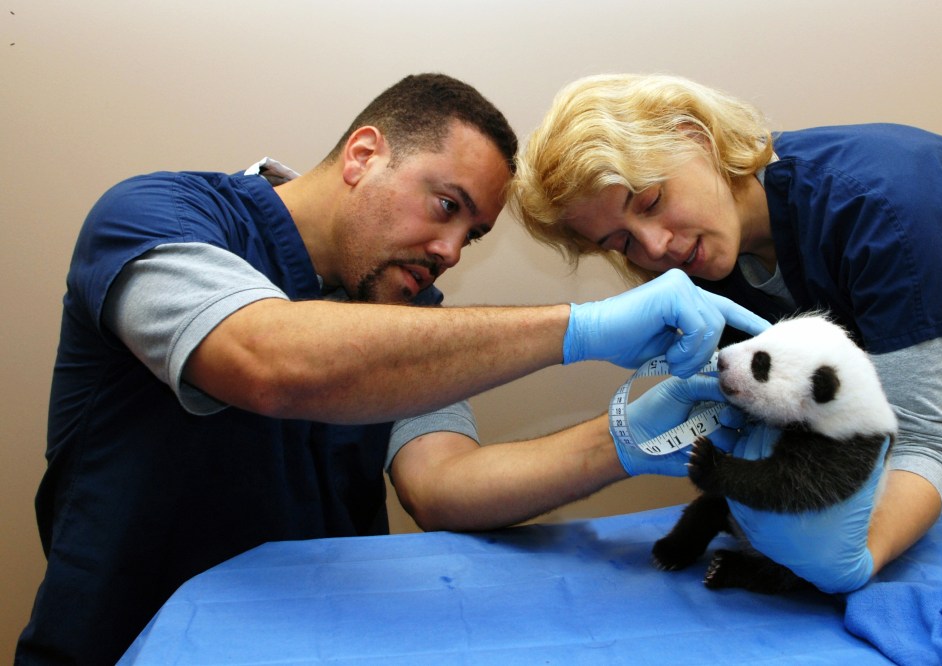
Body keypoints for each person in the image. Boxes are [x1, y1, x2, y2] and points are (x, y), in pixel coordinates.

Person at [17, 73, 768, 665]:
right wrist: (581, 329)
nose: (449, 251)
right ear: (363, 155)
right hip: (130, 645)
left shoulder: (407, 324)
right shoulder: (157, 218)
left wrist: (631, 438)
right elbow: (269, 360)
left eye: (471, 235)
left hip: (310, 645)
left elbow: (444, 488)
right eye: (446, 205)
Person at [510, 72, 942, 594]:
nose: (654, 247)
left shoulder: (885, 205)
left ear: (695, 137)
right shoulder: (704, 270)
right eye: (620, 242)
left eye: (650, 201)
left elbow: (924, 436)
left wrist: (858, 559)